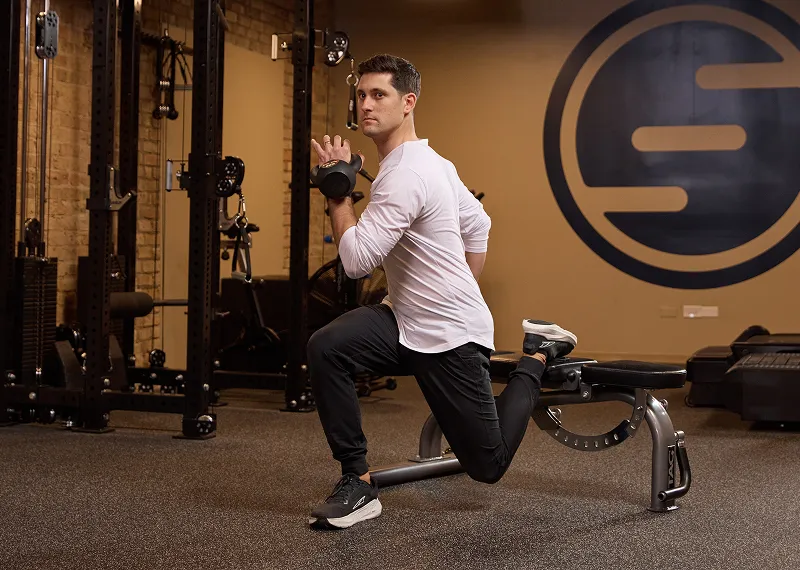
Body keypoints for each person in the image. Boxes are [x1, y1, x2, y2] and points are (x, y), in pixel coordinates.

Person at [306, 54, 577, 530]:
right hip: (404, 319)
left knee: (488, 465)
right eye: (362, 94)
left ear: (408, 102)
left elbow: (356, 262)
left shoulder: (407, 174)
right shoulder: (434, 163)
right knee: (328, 346)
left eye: (379, 95)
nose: (366, 105)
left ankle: (537, 353)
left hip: (450, 335)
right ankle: (358, 482)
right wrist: (453, 287)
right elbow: (480, 224)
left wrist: (337, 196)